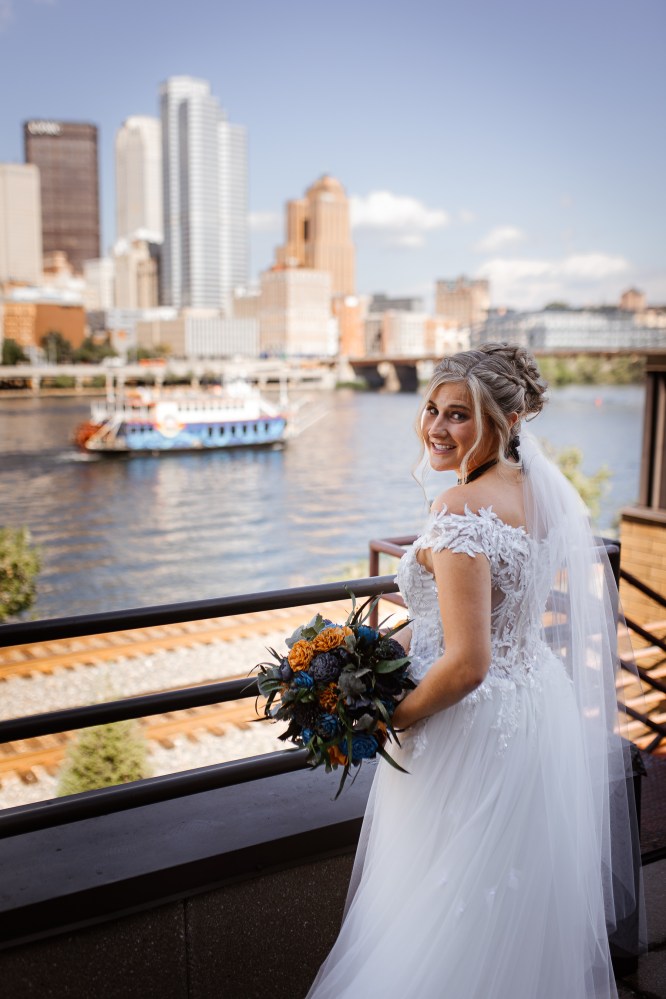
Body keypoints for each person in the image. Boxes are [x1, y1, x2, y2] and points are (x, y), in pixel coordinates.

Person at [307, 343, 643, 998]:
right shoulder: (539, 495)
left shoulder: (460, 508)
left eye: (458, 414)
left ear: (507, 419)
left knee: (435, 910)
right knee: (508, 908)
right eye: (432, 408)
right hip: (536, 707)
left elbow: (465, 663)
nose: (435, 427)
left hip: (468, 727)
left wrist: (381, 717)